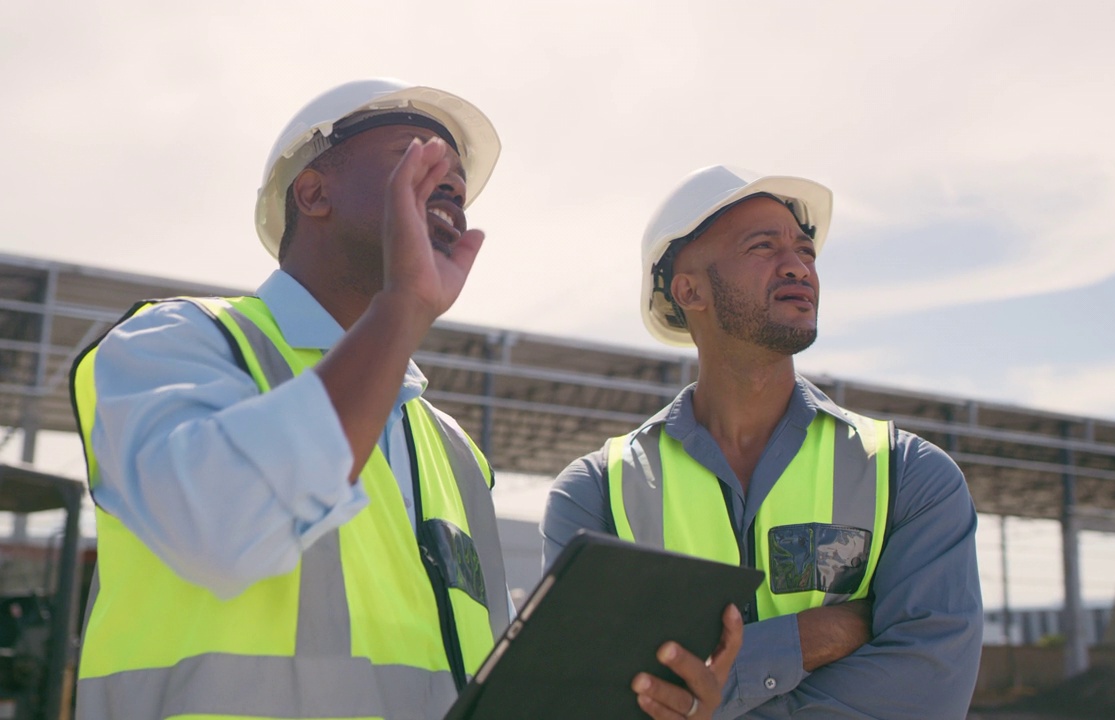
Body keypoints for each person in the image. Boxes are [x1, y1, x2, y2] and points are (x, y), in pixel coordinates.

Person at [69, 79, 739, 720]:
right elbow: (221, 529)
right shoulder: (171, 343)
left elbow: (486, 686)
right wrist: (402, 307)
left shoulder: (449, 447)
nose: (450, 182)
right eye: (416, 159)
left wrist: (637, 703)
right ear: (313, 191)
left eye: (458, 181)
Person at [542, 165, 983, 719]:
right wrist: (803, 639)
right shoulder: (595, 494)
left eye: (805, 250)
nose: (798, 265)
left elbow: (926, 695)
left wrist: (720, 684)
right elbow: (583, 700)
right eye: (763, 246)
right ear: (689, 289)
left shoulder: (911, 477)